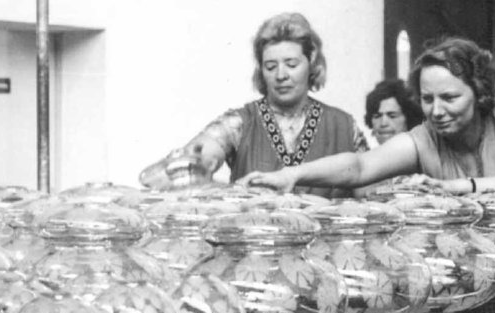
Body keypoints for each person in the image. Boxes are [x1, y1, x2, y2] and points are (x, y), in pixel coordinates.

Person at [243, 36, 495, 250]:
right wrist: (292, 174)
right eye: (428, 99)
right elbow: (360, 166)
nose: (437, 110)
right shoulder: (425, 137)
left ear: (480, 92)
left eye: (449, 97)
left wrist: (457, 187)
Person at [139, 12, 368, 198]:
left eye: (291, 64)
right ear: (261, 72)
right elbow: (181, 169)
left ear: (312, 65)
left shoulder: (345, 126)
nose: (281, 75)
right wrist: (194, 165)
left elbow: (372, 195)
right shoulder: (237, 123)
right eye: (270, 66)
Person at [364, 78, 423, 145]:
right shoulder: (367, 154)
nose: (383, 123)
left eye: (392, 116)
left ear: (408, 119)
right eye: (377, 116)